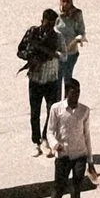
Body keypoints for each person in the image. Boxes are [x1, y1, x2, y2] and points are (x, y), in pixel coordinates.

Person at [47, 75, 94, 198]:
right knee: (59, 185)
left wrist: (90, 159)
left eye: (79, 93)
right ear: (67, 93)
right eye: (74, 93)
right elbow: (50, 131)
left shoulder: (84, 110)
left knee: (76, 190)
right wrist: (54, 145)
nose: (77, 96)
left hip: (79, 155)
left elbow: (86, 134)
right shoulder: (56, 109)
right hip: (63, 155)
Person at [17, 9, 62, 151]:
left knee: (51, 110)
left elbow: (60, 54)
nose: (50, 28)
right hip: (35, 79)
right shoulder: (32, 33)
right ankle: (36, 141)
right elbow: (20, 50)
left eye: (52, 25)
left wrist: (47, 53)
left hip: (51, 78)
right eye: (48, 24)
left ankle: (45, 137)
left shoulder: (56, 37)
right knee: (35, 112)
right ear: (42, 21)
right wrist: (29, 57)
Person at [53, 0, 86, 91]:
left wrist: (75, 41)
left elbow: (81, 32)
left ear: (71, 2)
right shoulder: (56, 14)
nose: (65, 4)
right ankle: (57, 104)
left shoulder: (77, 14)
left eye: (68, 1)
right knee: (57, 81)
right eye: (63, 1)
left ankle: (68, 102)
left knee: (67, 79)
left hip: (70, 53)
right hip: (57, 53)